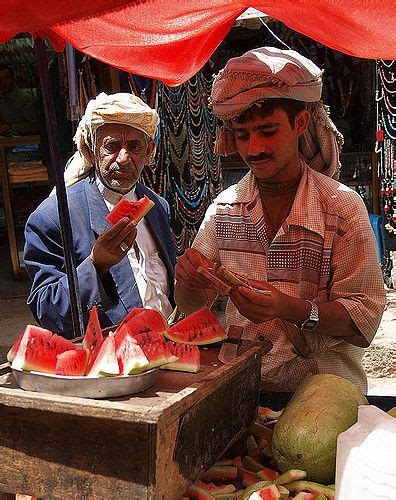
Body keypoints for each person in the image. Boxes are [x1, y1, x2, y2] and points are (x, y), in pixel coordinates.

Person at [175, 47, 386, 393]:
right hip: (243, 392)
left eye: (268, 131)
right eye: (243, 135)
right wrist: (190, 283)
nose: (254, 148)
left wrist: (292, 309)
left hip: (323, 394)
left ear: (300, 123)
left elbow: (364, 319)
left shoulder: (342, 209)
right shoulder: (224, 210)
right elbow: (190, 306)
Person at [24, 93, 176, 338]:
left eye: (135, 146)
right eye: (111, 146)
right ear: (90, 150)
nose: (124, 158)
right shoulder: (53, 216)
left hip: (167, 345)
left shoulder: (158, 206)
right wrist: (97, 264)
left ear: (149, 151)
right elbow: (48, 310)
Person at [0, 63, 39, 136]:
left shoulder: (25, 98)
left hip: (25, 144)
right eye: (0, 79)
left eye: (6, 78)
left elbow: (34, 126)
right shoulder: (1, 99)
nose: (3, 83)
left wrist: (9, 127)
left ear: (13, 78)